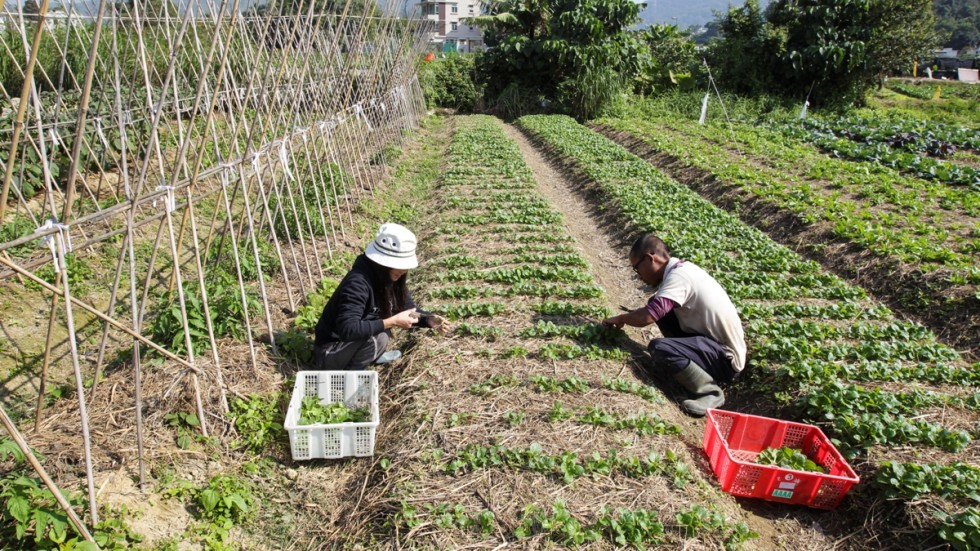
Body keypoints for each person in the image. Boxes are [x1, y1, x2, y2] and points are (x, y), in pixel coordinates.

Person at [602, 234, 746, 416]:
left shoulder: (680, 277)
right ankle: (684, 368)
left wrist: (621, 318)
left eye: (637, 269)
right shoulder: (680, 270)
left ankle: (710, 392)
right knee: (658, 303)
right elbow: (655, 309)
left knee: (660, 347)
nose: (638, 276)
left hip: (725, 358)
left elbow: (649, 316)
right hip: (711, 347)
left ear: (650, 258)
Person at [313, 223, 449, 370]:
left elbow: (406, 308)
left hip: (349, 345)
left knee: (380, 334)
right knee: (379, 337)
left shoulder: (388, 278)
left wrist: (428, 319)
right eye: (401, 265)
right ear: (384, 263)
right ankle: (350, 375)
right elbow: (348, 329)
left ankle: (369, 356)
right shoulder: (357, 284)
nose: (404, 270)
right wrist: (391, 322)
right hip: (331, 351)